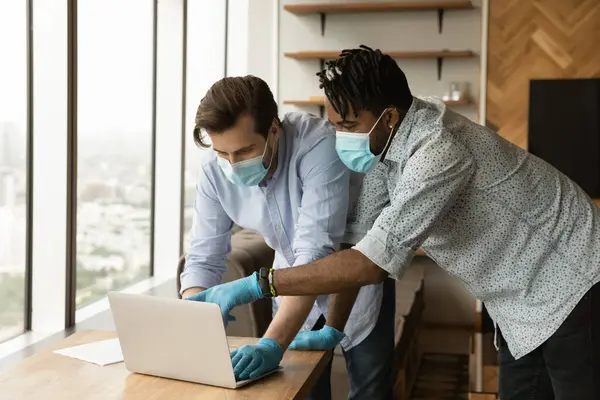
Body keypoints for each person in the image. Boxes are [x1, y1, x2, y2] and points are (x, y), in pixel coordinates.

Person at [188, 46, 600, 400]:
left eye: (347, 126)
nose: (337, 135)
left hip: (573, 279)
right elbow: (357, 243)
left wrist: (259, 284)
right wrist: (333, 327)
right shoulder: (384, 152)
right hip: (517, 305)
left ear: (387, 118)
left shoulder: (437, 151)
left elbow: (372, 263)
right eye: (333, 123)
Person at [181, 75, 395, 400]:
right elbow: (202, 256)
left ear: (274, 130)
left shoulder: (318, 144)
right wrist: (194, 312)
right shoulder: (214, 168)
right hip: (289, 289)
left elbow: (315, 253)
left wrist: (271, 344)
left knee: (371, 392)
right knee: (301, 393)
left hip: (354, 283)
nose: (233, 165)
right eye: (223, 153)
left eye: (245, 151)